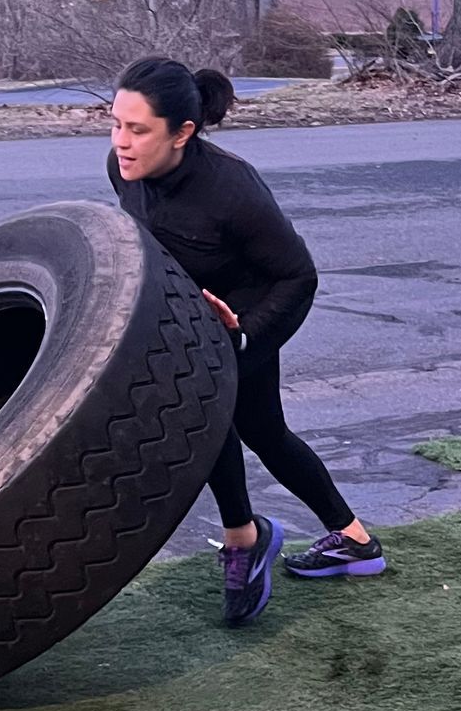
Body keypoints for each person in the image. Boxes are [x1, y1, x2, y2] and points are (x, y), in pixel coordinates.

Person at [108, 57, 385, 625]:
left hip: (250, 319)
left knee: (212, 423)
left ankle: (244, 540)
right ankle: (353, 540)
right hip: (190, 322)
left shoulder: (231, 189)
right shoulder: (122, 170)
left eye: (138, 130)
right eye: (115, 124)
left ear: (182, 132)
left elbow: (299, 277)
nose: (122, 142)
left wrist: (245, 337)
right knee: (260, 431)